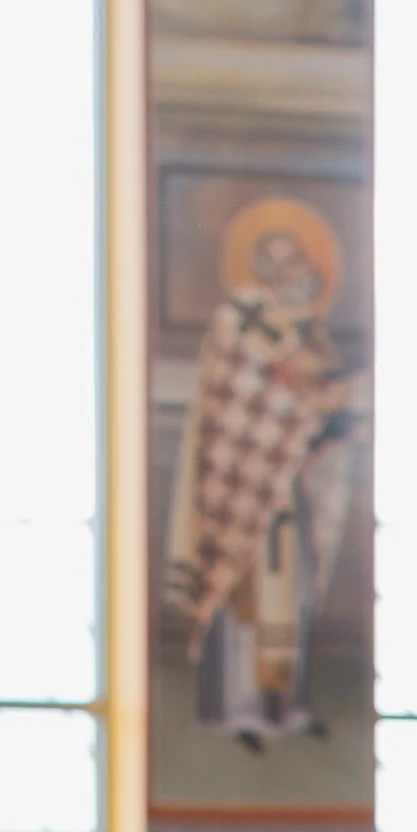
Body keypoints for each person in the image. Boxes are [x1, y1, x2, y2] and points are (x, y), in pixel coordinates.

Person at [164, 201, 353, 749]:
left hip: (291, 487)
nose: (291, 273)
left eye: (298, 261)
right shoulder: (236, 319)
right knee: (242, 592)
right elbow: (233, 397)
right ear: (258, 267)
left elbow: (324, 400)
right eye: (278, 262)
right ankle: (239, 705)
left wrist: (327, 419)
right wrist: (292, 401)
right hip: (242, 481)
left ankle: (285, 701)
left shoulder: (312, 332)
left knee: (288, 593)